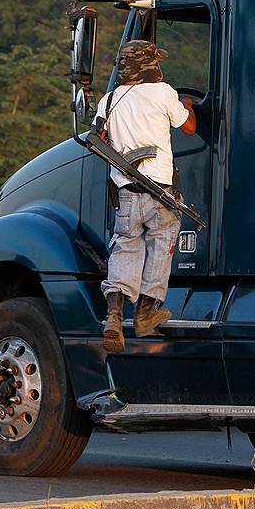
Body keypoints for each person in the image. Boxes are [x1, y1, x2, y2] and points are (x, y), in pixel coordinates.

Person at [96, 40, 197, 353]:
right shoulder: (162, 91)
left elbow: (99, 137)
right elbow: (190, 128)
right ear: (149, 65)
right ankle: (146, 314)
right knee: (162, 243)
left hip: (126, 191)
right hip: (160, 192)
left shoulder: (108, 100)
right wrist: (188, 105)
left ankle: (114, 316)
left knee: (125, 247)